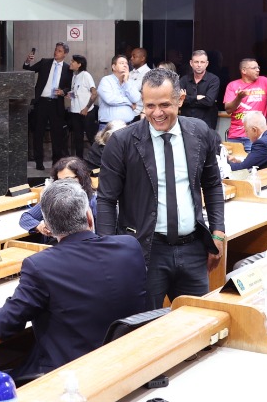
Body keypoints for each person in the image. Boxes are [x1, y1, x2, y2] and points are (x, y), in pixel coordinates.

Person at [0, 179, 147, 379]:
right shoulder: (129, 246)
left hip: (70, 375)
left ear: (48, 228)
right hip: (128, 363)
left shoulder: (40, 266)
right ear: (89, 216)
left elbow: (5, 325)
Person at [96, 68, 227, 307]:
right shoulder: (122, 142)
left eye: (165, 105)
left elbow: (212, 185)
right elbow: (106, 199)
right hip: (144, 251)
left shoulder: (199, 132)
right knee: (144, 324)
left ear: (180, 99)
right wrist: (108, 250)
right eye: (150, 106)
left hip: (193, 249)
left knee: (196, 321)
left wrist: (217, 232)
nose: (157, 113)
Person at [18, 156, 97, 234]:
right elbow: (25, 218)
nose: (63, 184)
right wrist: (40, 226)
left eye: (68, 179)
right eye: (59, 181)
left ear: (81, 178)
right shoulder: (52, 200)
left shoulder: (94, 202)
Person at [23, 42, 73, 164]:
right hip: (41, 102)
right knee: (38, 132)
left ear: (65, 54)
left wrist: (63, 91)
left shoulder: (68, 69)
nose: (56, 52)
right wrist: (27, 61)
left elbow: (69, 87)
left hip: (56, 103)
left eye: (59, 51)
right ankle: (39, 161)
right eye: (56, 49)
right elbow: (28, 69)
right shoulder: (45, 62)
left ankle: (55, 162)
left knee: (57, 134)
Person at [223, 58, 267, 151]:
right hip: (236, 135)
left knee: (254, 161)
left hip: (256, 135)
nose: (258, 70)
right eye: (254, 68)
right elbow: (228, 110)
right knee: (233, 159)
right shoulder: (232, 85)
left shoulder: (265, 82)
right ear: (244, 71)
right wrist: (239, 98)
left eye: (258, 67)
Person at [179, 50, 221, 132]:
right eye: (196, 62)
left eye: (202, 62)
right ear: (191, 63)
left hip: (206, 126)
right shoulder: (184, 80)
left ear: (207, 64)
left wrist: (187, 99)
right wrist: (196, 97)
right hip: (186, 126)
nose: (199, 65)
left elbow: (209, 102)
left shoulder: (213, 80)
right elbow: (179, 100)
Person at [66, 54, 96, 161]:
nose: (70, 63)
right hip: (75, 112)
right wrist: (67, 94)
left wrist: (86, 108)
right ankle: (79, 161)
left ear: (79, 64)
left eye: (73, 61)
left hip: (87, 112)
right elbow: (77, 93)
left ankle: (98, 160)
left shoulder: (86, 75)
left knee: (91, 137)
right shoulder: (74, 76)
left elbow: (94, 93)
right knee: (77, 138)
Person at [96, 53, 137, 126]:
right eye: (121, 63)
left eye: (126, 63)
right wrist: (129, 102)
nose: (125, 65)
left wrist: (126, 82)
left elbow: (135, 98)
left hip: (129, 125)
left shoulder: (130, 82)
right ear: (114, 67)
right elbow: (110, 99)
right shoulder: (106, 80)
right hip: (109, 126)